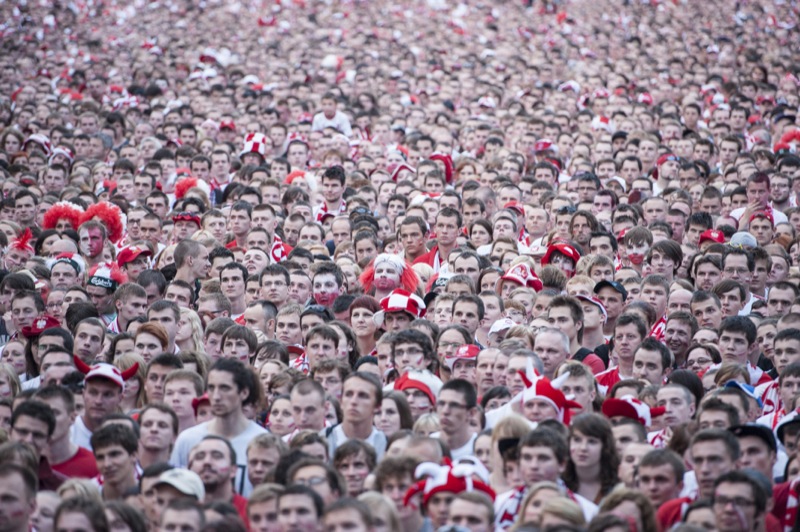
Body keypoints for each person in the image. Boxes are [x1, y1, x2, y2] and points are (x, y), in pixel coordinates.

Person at [171, 358, 267, 496]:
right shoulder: (188, 439)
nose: (216, 396)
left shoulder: (261, 441)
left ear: (244, 392)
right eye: (211, 388)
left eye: (224, 388)